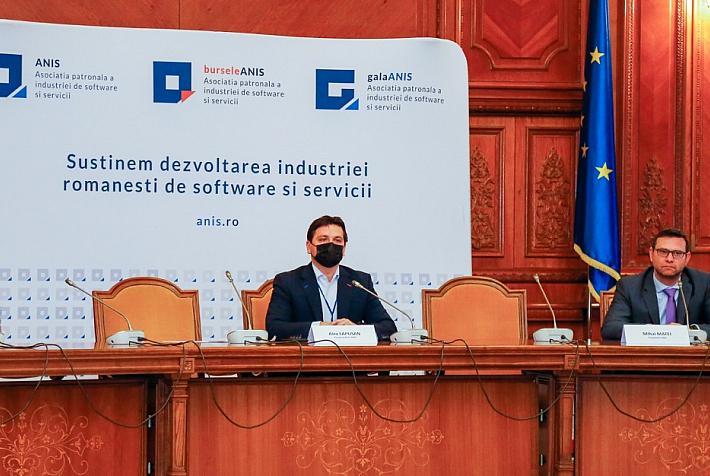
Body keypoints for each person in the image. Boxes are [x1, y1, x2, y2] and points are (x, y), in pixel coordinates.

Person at [265, 215, 396, 341]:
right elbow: (274, 328)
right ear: (309, 246)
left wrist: (356, 330)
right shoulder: (288, 282)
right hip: (306, 354)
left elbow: (388, 328)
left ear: (344, 248)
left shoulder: (360, 282)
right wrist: (317, 328)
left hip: (350, 354)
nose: (331, 245)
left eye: (337, 240)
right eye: (323, 239)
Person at [601, 228, 710, 340]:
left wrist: (687, 331)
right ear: (651, 254)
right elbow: (611, 328)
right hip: (647, 351)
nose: (669, 259)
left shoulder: (704, 284)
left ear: (687, 258)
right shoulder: (629, 286)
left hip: (687, 351)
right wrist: (653, 331)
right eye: (663, 252)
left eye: (677, 253)